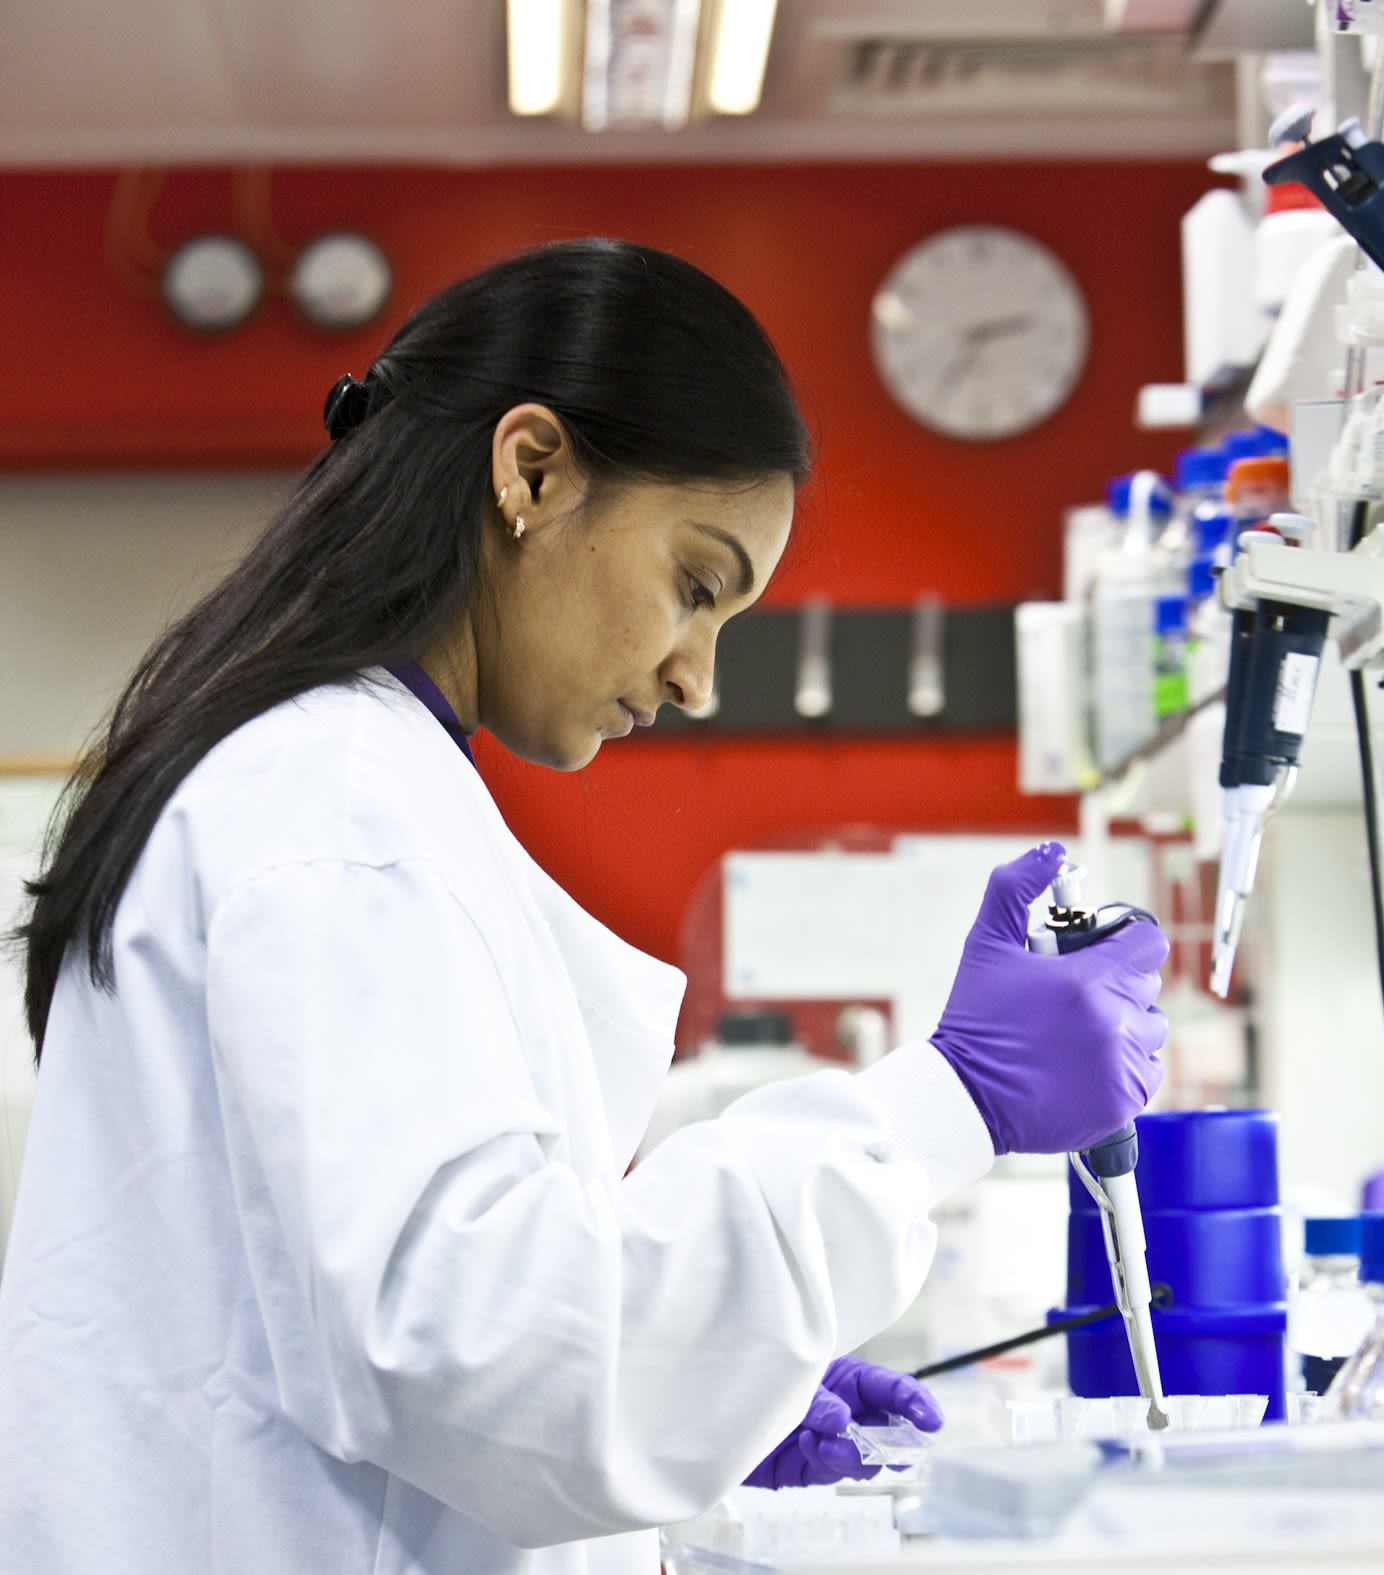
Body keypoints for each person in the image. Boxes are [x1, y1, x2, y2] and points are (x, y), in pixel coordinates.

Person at [0, 238, 1169, 1575]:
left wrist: (719, 1390)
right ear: (534, 470)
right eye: (695, 584)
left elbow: (420, 1342)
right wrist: (944, 1106)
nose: (696, 679)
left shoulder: (335, 777)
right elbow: (489, 1350)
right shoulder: (336, 803)